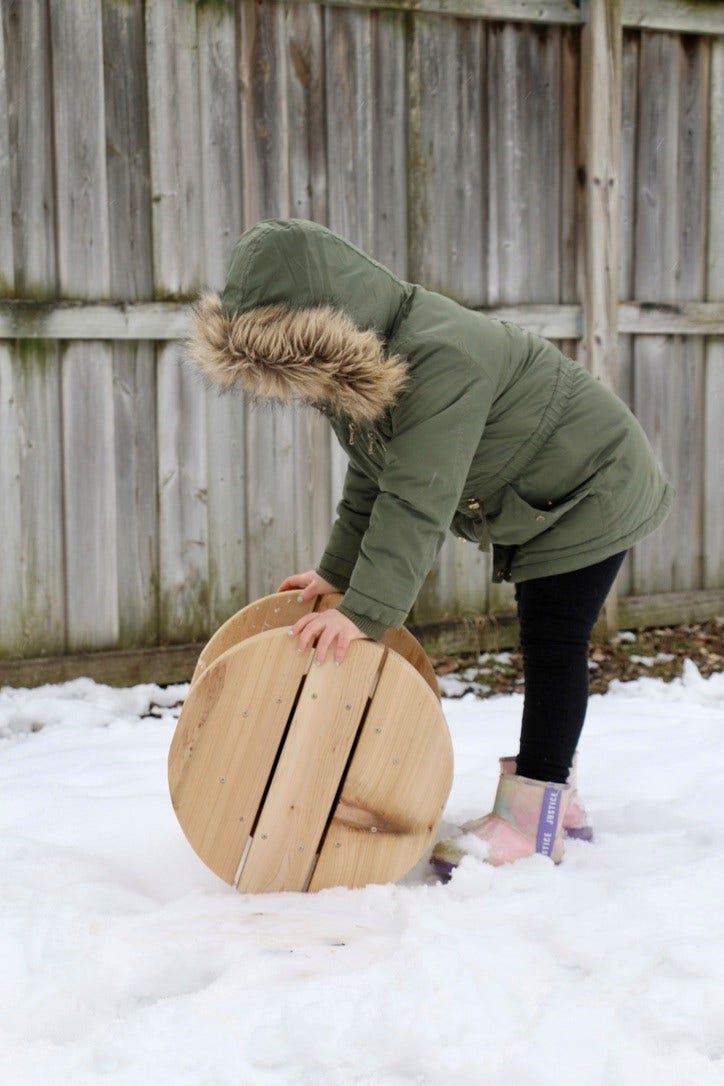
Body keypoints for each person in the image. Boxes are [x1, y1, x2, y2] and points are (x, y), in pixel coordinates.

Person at [190, 217, 674, 874]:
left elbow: (417, 498)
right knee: (548, 640)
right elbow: (371, 477)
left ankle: (539, 820)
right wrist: (337, 575)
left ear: (322, 321)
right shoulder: (361, 365)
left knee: (553, 642)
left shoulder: (441, 360)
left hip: (593, 488)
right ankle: (561, 801)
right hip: (549, 492)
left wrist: (366, 613)